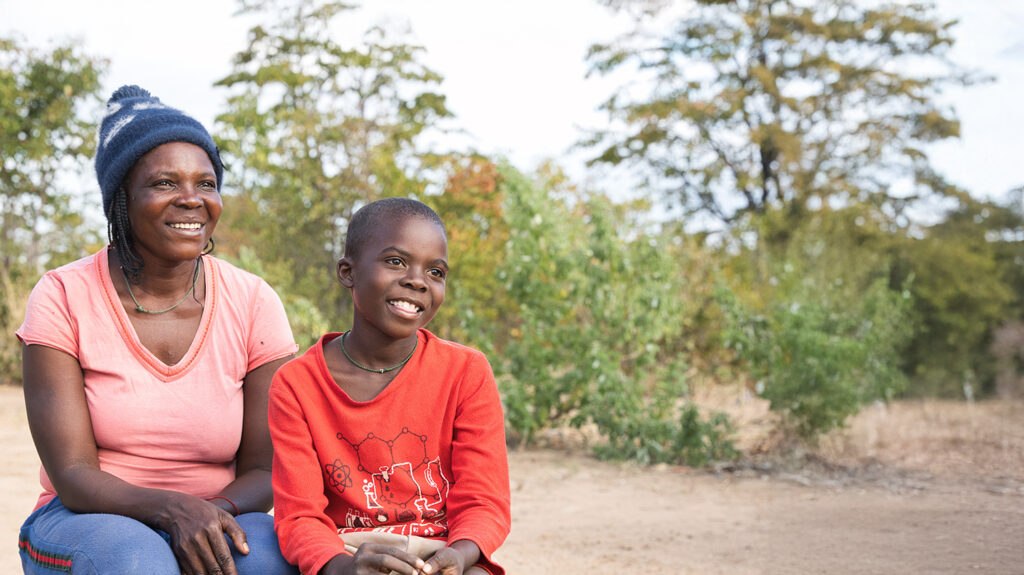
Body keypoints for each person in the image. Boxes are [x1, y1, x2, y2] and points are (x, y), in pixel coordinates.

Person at [16, 85, 300, 575]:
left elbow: (265, 469)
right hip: (87, 517)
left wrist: (210, 515)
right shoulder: (63, 295)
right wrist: (172, 512)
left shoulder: (254, 301)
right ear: (122, 198)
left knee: (279, 559)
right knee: (139, 562)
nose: (192, 200)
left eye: (206, 184)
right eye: (166, 183)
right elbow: (74, 475)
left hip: (221, 510)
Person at [269, 198, 511, 575]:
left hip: (444, 550)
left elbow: (484, 500)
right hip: (348, 551)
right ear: (348, 272)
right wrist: (341, 567)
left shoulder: (466, 371)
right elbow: (299, 515)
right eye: (396, 261)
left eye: (436, 272)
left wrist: (462, 555)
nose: (418, 280)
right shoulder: (297, 383)